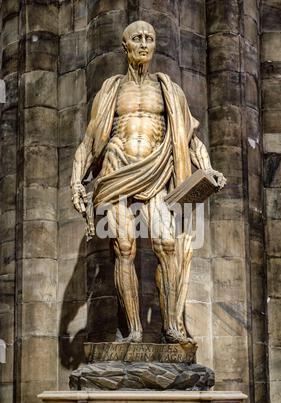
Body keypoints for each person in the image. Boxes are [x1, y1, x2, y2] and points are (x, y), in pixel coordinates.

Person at [71, 21, 226, 344]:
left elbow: (189, 138)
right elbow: (88, 142)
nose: (144, 44)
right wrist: (76, 182)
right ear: (125, 45)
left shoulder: (167, 88)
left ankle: (171, 326)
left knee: (167, 245)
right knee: (123, 248)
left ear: (154, 46)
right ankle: (134, 332)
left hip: (157, 172)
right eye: (137, 38)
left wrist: (207, 168)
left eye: (150, 39)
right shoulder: (112, 88)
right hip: (116, 170)